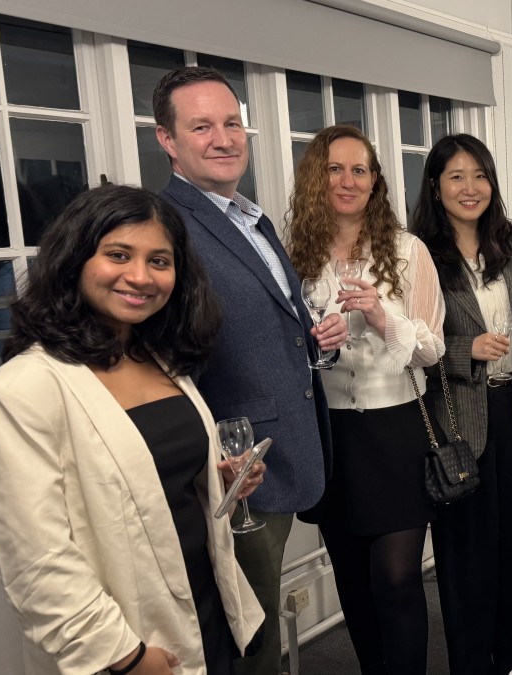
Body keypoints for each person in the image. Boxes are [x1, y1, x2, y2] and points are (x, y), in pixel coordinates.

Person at [0, 185, 265, 674]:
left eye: (159, 261)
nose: (140, 276)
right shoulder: (21, 391)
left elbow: (151, 488)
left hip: (204, 604)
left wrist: (225, 479)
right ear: (74, 260)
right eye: (118, 255)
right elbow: (36, 562)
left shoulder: (157, 358)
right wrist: (125, 657)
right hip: (127, 640)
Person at [152, 66, 347, 675]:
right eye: (202, 125)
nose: (224, 138)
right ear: (167, 140)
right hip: (235, 469)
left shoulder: (252, 218)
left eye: (232, 122)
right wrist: (211, 454)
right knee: (244, 631)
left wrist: (321, 343)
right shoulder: (166, 226)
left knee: (257, 616)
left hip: (285, 448)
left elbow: (280, 329)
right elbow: (163, 357)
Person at [287, 125, 445, 674]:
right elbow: (290, 352)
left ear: (376, 180)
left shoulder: (407, 251)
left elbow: (432, 350)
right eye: (335, 168)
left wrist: (383, 317)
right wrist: (314, 347)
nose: (348, 180)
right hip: (334, 434)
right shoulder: (295, 256)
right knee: (353, 578)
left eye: (360, 169)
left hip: (397, 428)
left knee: (397, 576)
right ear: (316, 177)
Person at [409, 133, 512, 673]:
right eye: (456, 176)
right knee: (471, 559)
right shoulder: (418, 254)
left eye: (479, 175)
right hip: (460, 424)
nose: (470, 188)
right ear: (435, 186)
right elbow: (410, 345)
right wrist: (464, 350)